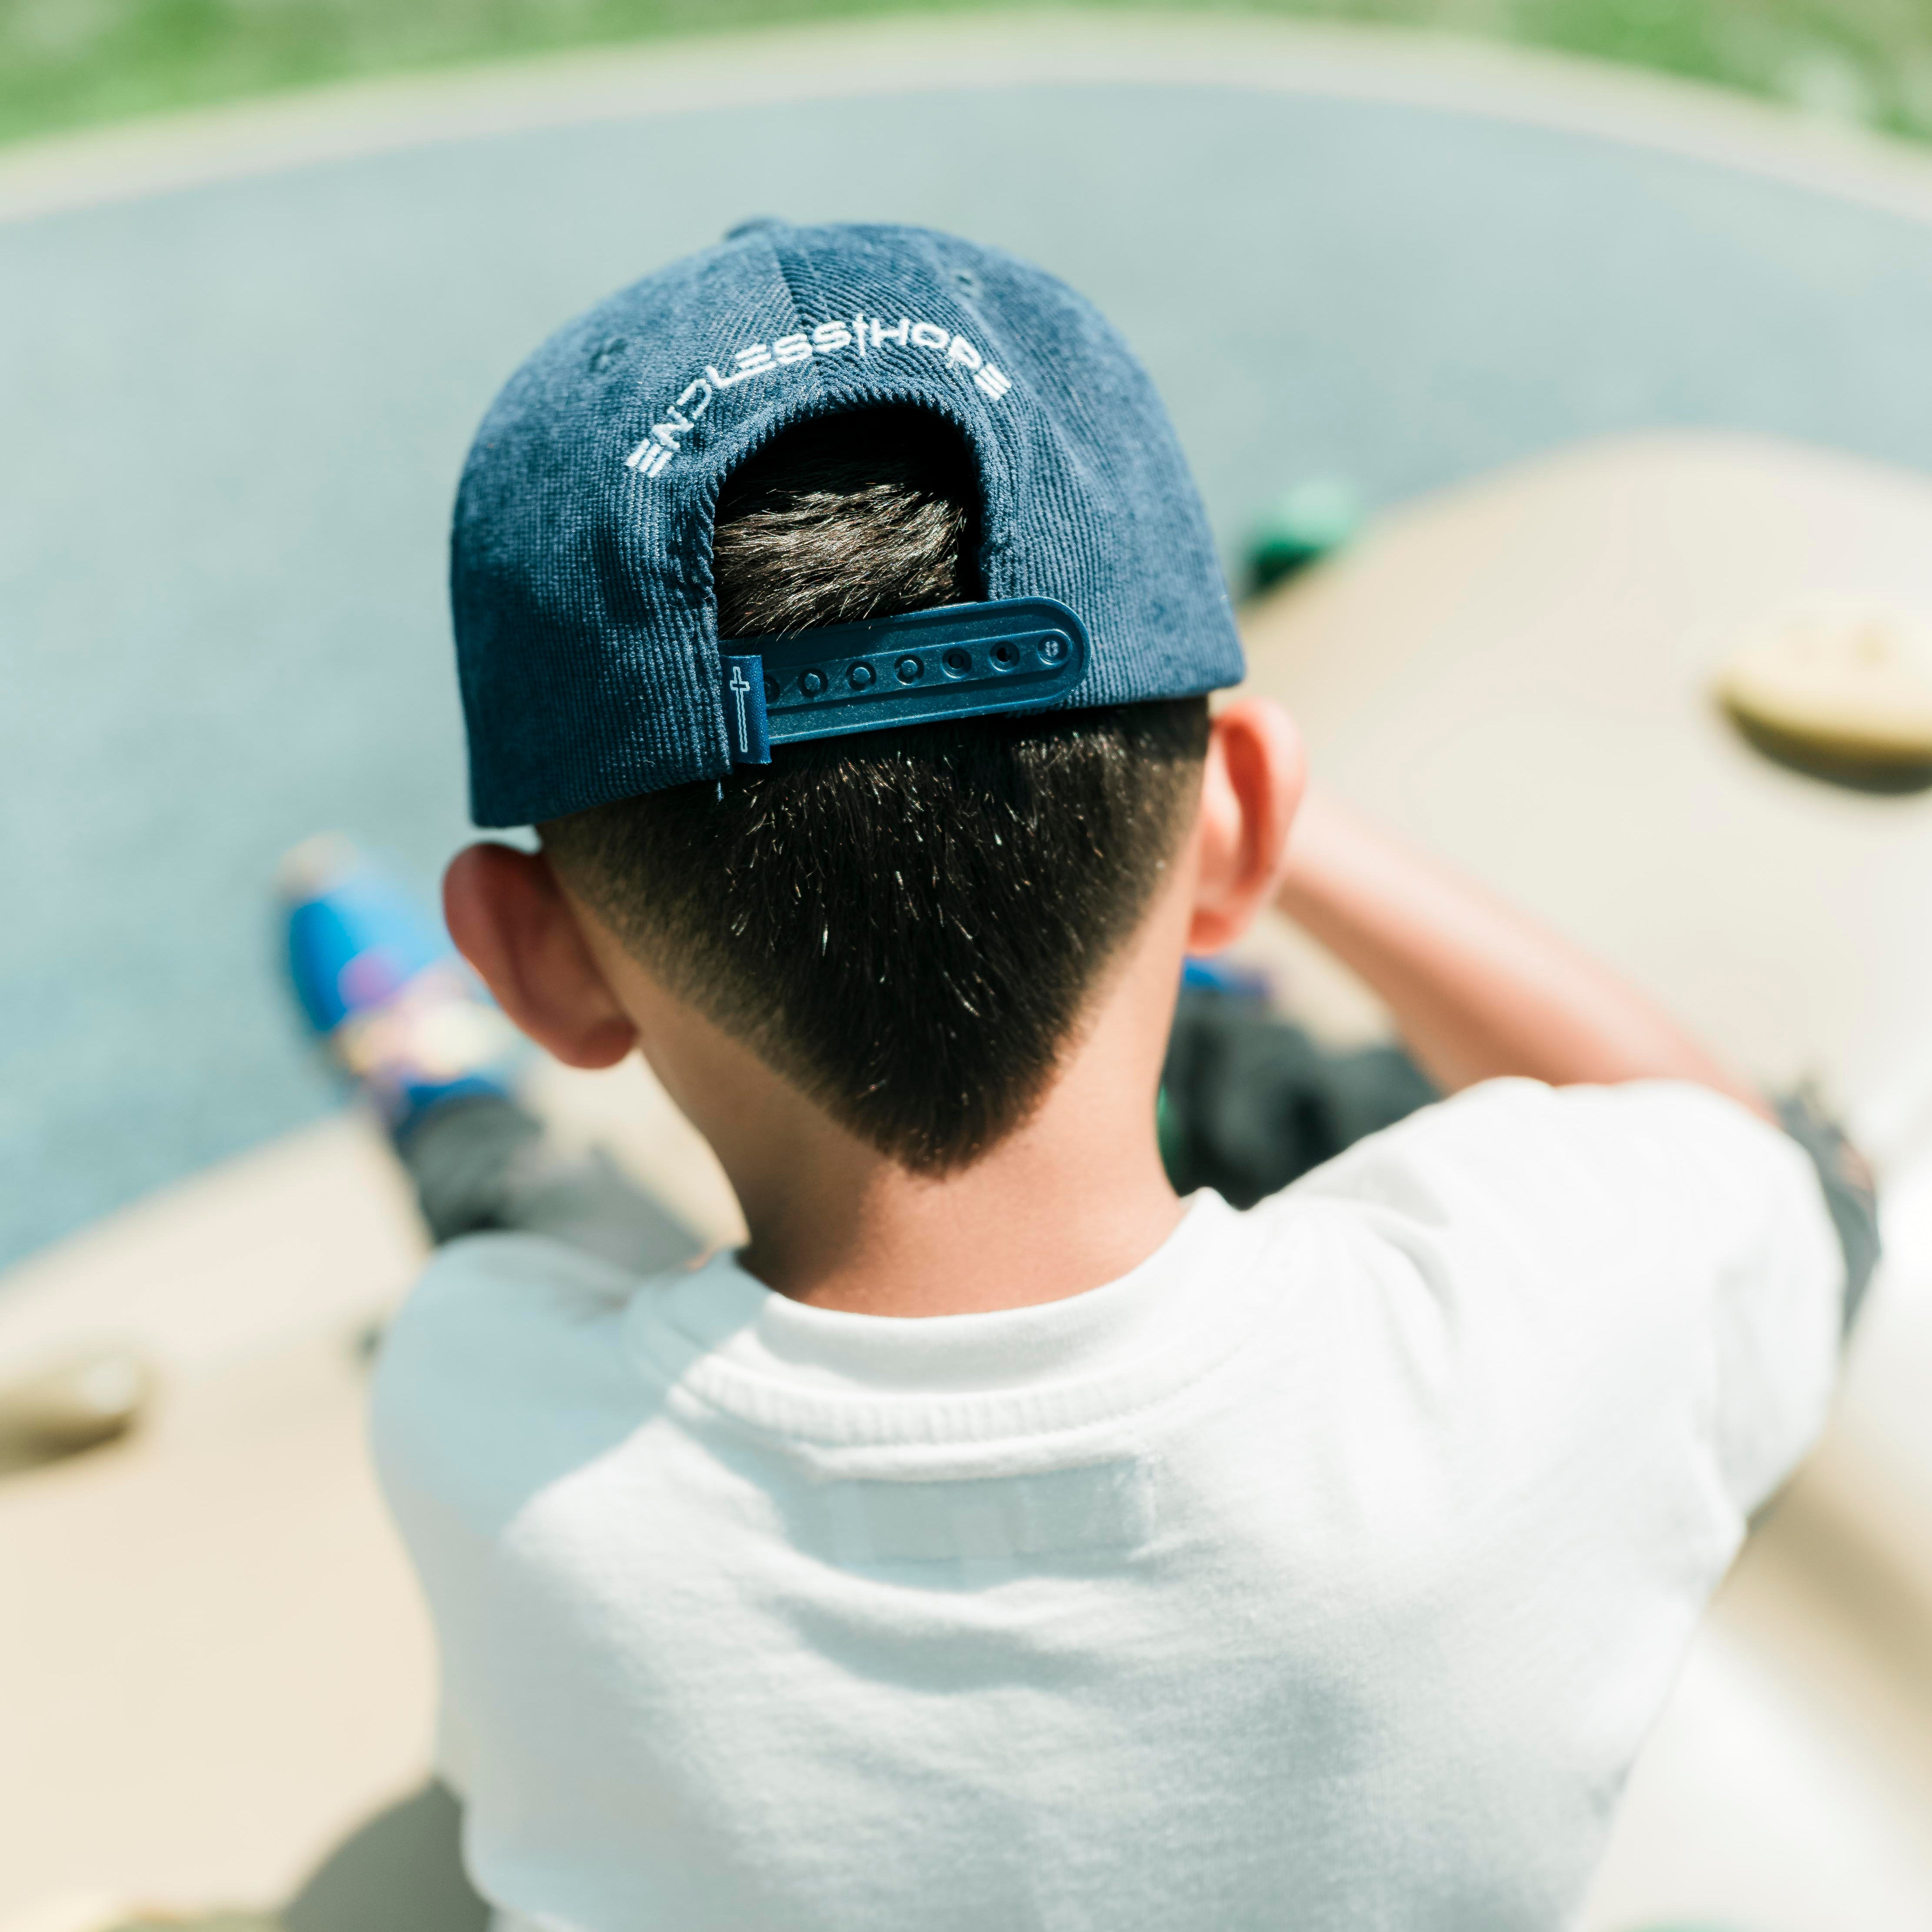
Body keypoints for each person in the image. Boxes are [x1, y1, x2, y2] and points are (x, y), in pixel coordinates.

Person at [306, 221, 1875, 1932]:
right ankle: (1189, 985)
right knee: (1253, 1076)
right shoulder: (1522, 1330)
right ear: (1246, 820)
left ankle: (435, 1083)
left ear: (530, 952)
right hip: (1207, 916)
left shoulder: (480, 1417)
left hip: (624, 1301)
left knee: (529, 1219)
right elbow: (1747, 1163)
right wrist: (1224, 816)